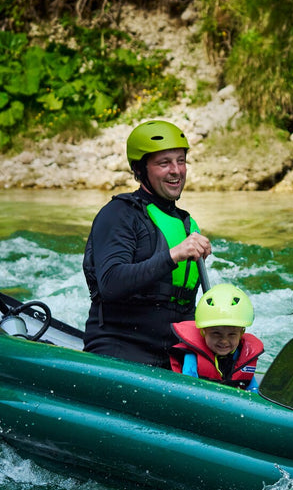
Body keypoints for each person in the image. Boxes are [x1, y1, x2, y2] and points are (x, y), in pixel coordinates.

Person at [82, 119, 212, 368]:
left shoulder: (185, 223)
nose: (176, 170)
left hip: (176, 354)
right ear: (141, 170)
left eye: (181, 160)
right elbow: (110, 283)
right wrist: (172, 256)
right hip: (122, 348)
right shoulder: (119, 214)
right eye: (164, 163)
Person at [169, 283, 264, 391]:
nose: (224, 341)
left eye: (232, 334)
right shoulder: (192, 357)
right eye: (216, 333)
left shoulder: (244, 357)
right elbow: (188, 390)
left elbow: (253, 390)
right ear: (203, 331)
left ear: (241, 333)